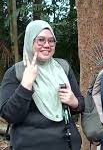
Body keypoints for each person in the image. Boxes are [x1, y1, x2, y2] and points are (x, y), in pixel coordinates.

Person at [0, 20, 84, 150]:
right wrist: (26, 84)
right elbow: (9, 115)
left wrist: (74, 102)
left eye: (51, 41)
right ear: (30, 41)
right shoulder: (16, 72)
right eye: (41, 40)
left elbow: (81, 104)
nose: (47, 45)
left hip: (65, 143)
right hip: (29, 145)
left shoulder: (62, 68)